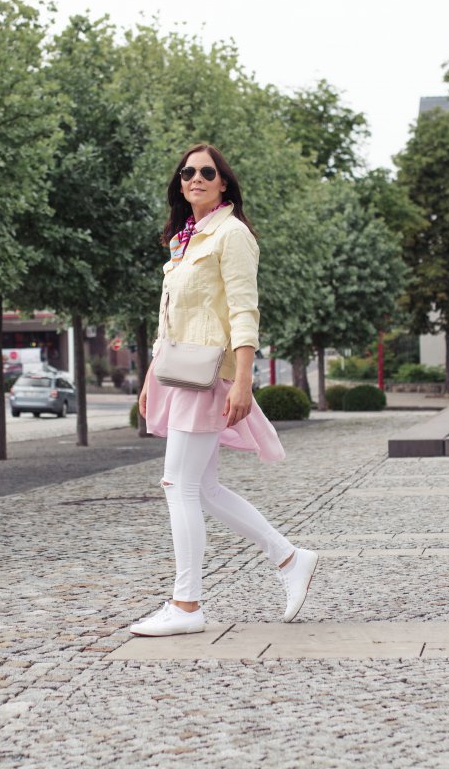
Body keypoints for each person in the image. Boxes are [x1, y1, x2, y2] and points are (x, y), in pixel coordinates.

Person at [131, 144, 318, 638]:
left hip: (210, 375)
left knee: (179, 486)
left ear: (223, 184)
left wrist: (244, 379)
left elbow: (243, 311)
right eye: (187, 171)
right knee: (204, 489)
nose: (195, 177)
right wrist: (151, 375)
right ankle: (289, 558)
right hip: (181, 373)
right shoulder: (185, 239)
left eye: (206, 172)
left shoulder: (231, 235)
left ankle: (187, 605)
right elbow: (172, 315)